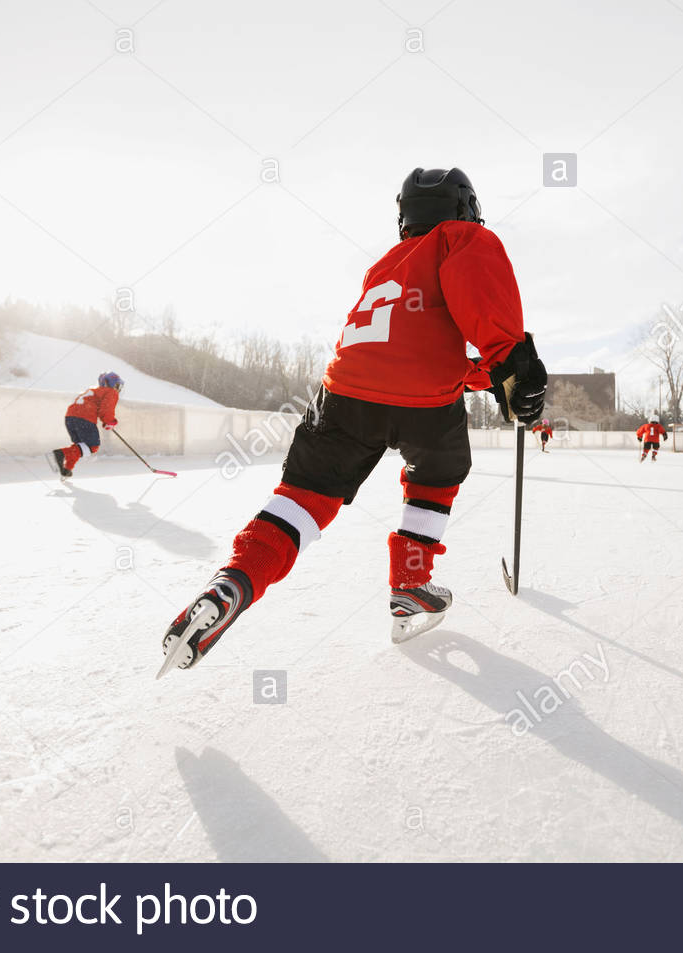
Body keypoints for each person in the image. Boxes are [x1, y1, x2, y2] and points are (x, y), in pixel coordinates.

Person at [157, 167, 547, 674]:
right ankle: (409, 586)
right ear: (465, 207)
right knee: (436, 477)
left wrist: (485, 376)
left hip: (341, 396)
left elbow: (403, 344)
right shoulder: (461, 237)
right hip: (426, 404)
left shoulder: (384, 267)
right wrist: (511, 362)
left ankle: (233, 582)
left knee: (302, 499)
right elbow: (479, 299)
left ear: (404, 217)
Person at [48, 372, 123, 478]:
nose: (117, 388)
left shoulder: (92, 391)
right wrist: (110, 422)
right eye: (116, 385)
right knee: (92, 446)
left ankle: (67, 468)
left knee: (80, 446)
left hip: (70, 418)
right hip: (84, 418)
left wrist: (106, 421)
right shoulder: (110, 392)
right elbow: (106, 409)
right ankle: (60, 454)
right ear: (107, 383)